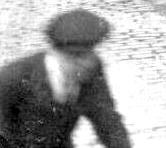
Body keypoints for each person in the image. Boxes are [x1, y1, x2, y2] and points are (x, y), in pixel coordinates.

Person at [0, 9, 132, 148]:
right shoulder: (11, 79)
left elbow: (108, 121)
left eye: (90, 53)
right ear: (56, 53)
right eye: (77, 56)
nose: (88, 63)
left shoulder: (91, 70)